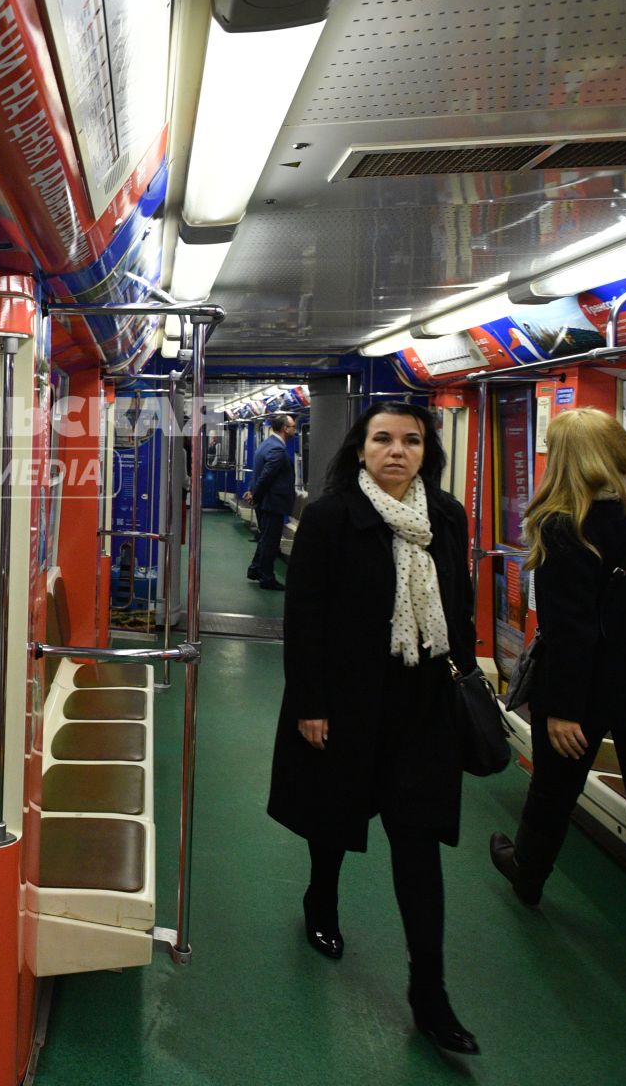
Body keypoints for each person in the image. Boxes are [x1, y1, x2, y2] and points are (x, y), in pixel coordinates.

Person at [487, 408, 626, 1046]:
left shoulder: (565, 526)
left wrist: (561, 708)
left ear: (565, 459)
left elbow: (572, 630)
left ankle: (527, 876)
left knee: (554, 789)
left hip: (586, 693)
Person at [267, 402, 481, 1055]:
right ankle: (321, 899)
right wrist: (310, 702)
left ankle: (430, 993)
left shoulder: (445, 517)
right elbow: (304, 618)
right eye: (382, 439)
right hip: (346, 702)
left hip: (421, 707)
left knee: (417, 846)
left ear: (426, 451)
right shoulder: (332, 517)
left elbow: (459, 605)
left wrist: (465, 684)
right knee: (334, 820)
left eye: (410, 441)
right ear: (360, 449)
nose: (397, 451)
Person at [243, 412, 298, 590]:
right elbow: (266, 476)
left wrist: (252, 491)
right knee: (270, 541)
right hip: (272, 502)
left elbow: (257, 472)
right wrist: (255, 494)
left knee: (266, 538)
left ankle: (255, 569)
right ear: (284, 429)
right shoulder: (278, 449)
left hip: (265, 501)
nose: (295, 430)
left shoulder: (265, 445)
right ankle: (267, 578)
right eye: (293, 427)